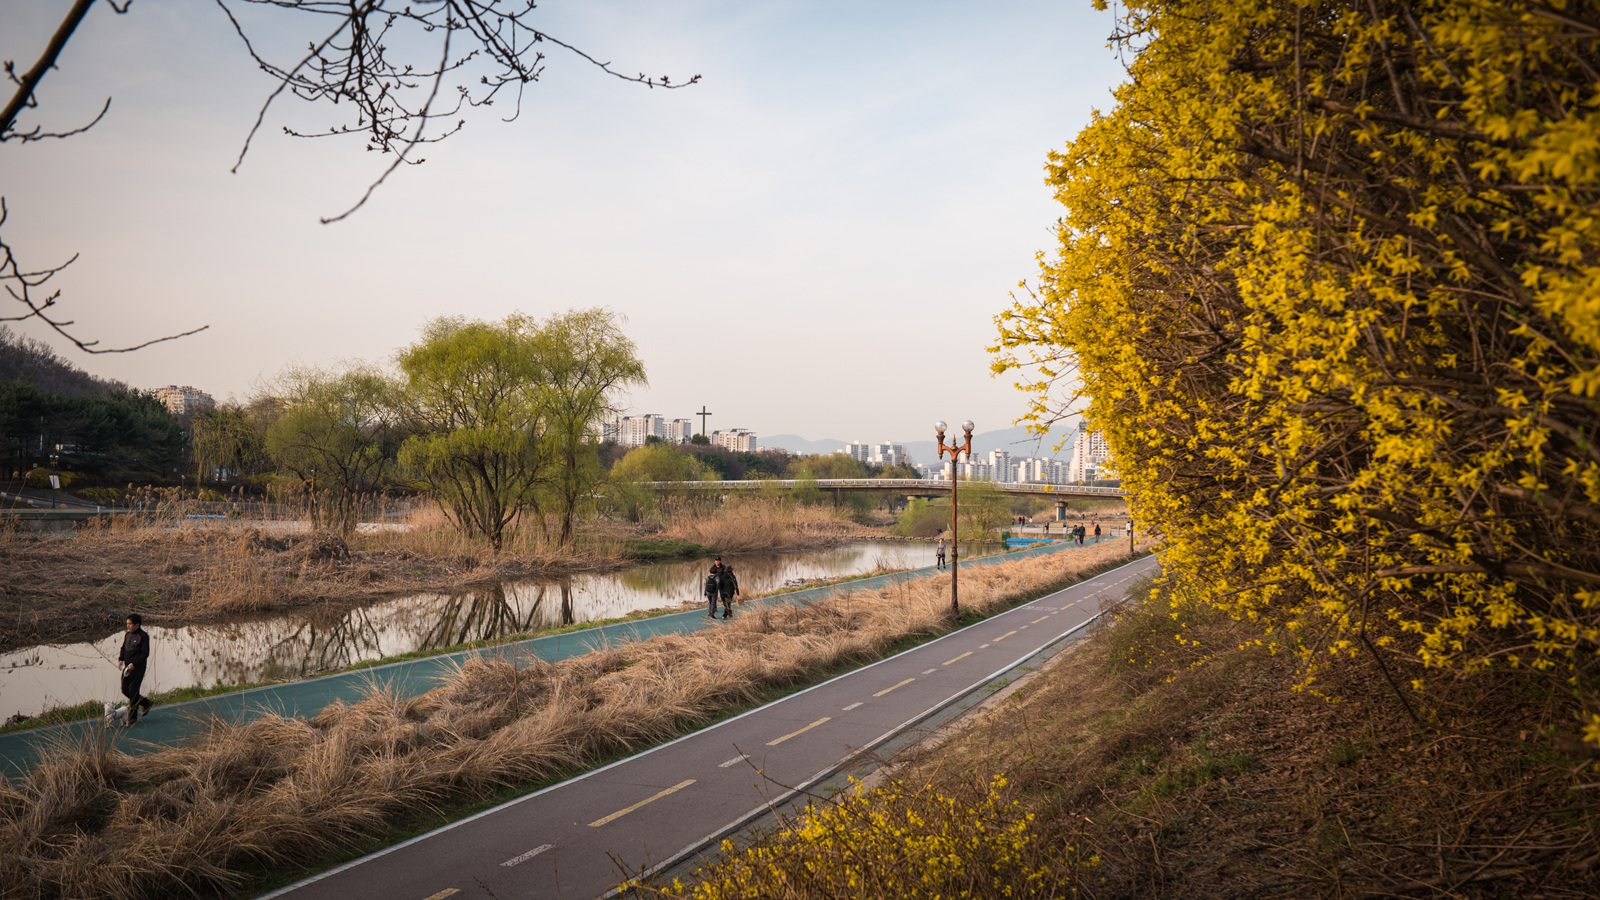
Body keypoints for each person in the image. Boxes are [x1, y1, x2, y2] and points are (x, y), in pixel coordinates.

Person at [117, 614, 153, 724]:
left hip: (138, 668)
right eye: (127, 623)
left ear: (137, 625)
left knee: (133, 692)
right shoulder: (128, 634)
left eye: (130, 624)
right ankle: (146, 703)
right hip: (127, 668)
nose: (127, 626)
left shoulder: (143, 636)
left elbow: (145, 654)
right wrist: (121, 659)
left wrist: (134, 663)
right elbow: (123, 648)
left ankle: (132, 717)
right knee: (125, 690)